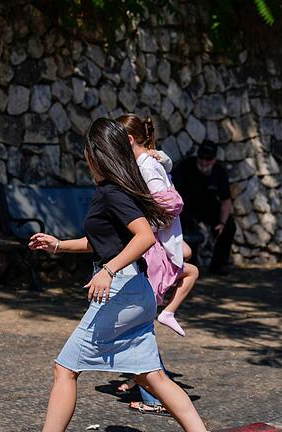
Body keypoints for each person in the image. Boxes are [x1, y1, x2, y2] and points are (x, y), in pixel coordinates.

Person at [28, 118, 207, 432]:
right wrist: (57, 245)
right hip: (136, 292)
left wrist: (109, 270)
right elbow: (102, 242)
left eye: (87, 147)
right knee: (152, 376)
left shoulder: (113, 192)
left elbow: (144, 237)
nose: (84, 153)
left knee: (65, 369)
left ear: (96, 152)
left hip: (122, 292)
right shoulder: (113, 190)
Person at [116, 113, 200, 416]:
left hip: (152, 251)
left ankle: (152, 396)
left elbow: (170, 203)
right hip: (154, 247)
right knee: (139, 324)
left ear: (127, 141)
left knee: (139, 326)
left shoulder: (146, 166)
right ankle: (144, 386)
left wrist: (144, 223)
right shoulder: (145, 163)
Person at [172, 141, 235, 275]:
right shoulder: (186, 167)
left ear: (214, 160)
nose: (204, 162)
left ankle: (218, 265)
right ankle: (191, 265)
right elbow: (172, 192)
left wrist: (222, 223)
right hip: (186, 208)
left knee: (229, 225)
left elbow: (226, 201)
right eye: (201, 158)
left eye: (208, 159)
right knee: (190, 228)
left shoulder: (220, 172)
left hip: (210, 208)